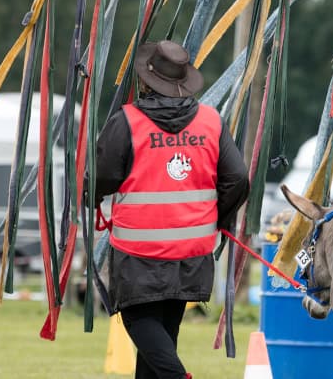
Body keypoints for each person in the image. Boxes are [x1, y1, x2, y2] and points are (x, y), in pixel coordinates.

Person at [95, 40, 249, 379]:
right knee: (163, 335)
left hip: (139, 253)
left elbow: (102, 176)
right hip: (191, 254)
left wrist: (95, 193)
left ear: (147, 81)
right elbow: (238, 178)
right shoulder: (211, 122)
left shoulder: (128, 121)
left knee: (140, 322)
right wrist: (215, 218)